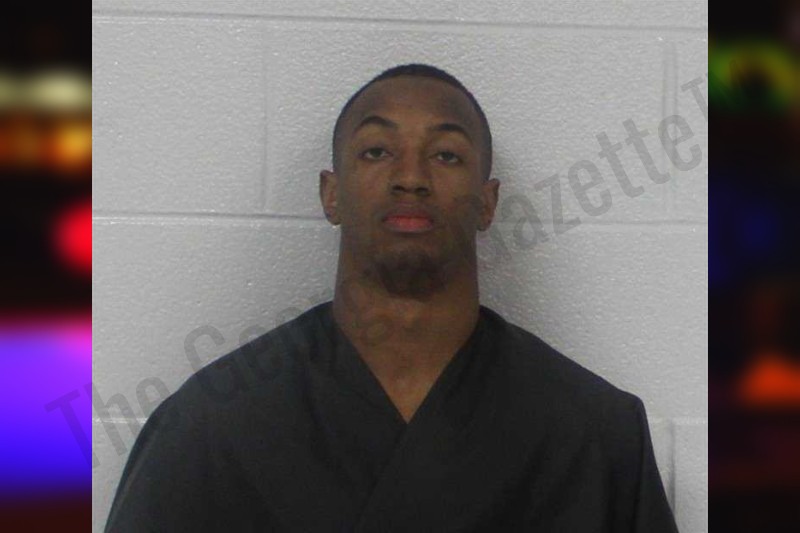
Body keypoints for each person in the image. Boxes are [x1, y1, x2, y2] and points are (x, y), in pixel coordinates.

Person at [104, 63, 678, 532]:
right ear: (331, 194)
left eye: (446, 155)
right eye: (377, 151)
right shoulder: (208, 431)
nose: (411, 177)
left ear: (487, 202)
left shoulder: (595, 438)